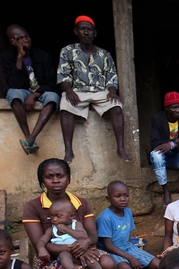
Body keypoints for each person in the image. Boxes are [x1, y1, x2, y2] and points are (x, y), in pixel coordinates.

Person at [22, 158, 123, 269]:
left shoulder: (81, 203)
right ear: (42, 180)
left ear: (68, 178)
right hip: (52, 255)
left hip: (84, 248)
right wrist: (76, 248)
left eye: (60, 175)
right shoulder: (33, 207)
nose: (55, 180)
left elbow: (92, 236)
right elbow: (41, 244)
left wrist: (84, 244)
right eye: (49, 176)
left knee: (108, 263)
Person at [57, 15, 129, 163]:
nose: (86, 32)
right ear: (76, 31)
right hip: (77, 90)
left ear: (94, 33)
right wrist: (69, 91)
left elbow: (112, 77)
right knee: (65, 105)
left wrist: (112, 91)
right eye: (82, 29)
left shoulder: (105, 54)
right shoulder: (68, 51)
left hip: (100, 91)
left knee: (116, 106)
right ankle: (69, 151)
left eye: (89, 29)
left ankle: (120, 149)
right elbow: (63, 75)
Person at [35, 199, 113, 269]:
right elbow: (41, 241)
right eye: (51, 216)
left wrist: (67, 230)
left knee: (91, 260)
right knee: (64, 255)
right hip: (65, 253)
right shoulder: (51, 230)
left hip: (82, 251)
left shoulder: (76, 224)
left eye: (58, 216)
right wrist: (41, 248)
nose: (54, 220)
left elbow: (83, 235)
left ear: (71, 216)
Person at [1, 25, 60, 154]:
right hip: (23, 91)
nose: (25, 40)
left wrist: (33, 96)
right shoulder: (7, 58)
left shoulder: (43, 55)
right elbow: (13, 84)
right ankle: (28, 136)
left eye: (26, 36)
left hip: (42, 91)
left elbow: (51, 82)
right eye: (20, 38)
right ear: (12, 42)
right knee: (12, 93)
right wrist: (19, 58)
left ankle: (32, 137)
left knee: (53, 97)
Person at [97, 181, 160, 269]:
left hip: (127, 246)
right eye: (118, 196)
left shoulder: (128, 212)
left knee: (158, 264)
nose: (123, 199)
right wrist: (131, 258)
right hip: (112, 251)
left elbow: (128, 235)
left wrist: (135, 252)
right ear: (108, 198)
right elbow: (108, 245)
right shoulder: (105, 217)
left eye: (126, 195)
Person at [150, 91, 179, 205]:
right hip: (163, 157)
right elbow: (154, 142)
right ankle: (165, 189)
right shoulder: (157, 119)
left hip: (177, 157)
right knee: (155, 154)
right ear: (166, 108)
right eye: (174, 107)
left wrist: (173, 144)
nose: (177, 110)